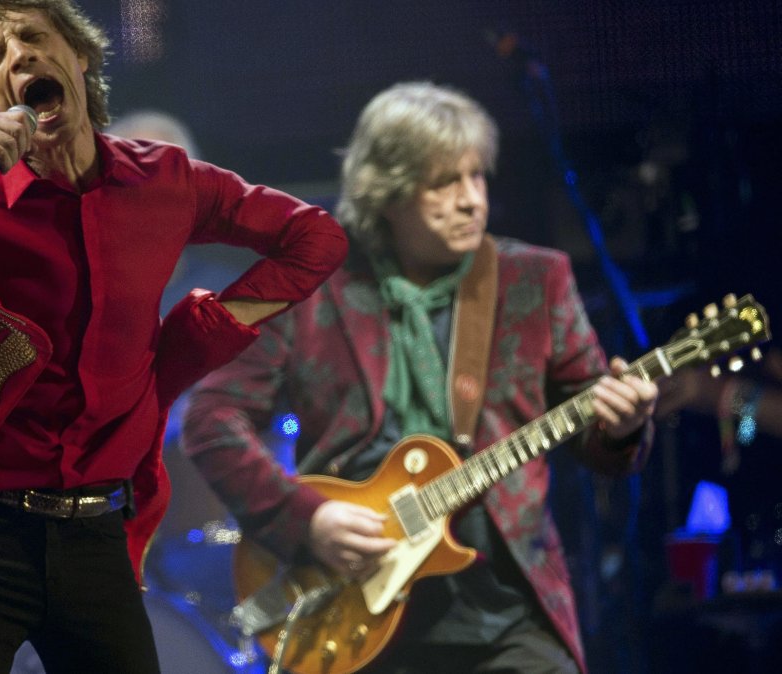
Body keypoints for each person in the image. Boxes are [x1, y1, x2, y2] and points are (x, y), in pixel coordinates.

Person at [0, 1, 347, 672]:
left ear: (79, 58)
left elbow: (315, 239)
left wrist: (199, 337)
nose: (18, 57)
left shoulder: (163, 181)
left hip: (96, 533)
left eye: (32, 37)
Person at [181, 81, 659, 673]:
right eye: (443, 183)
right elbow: (211, 417)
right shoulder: (312, 288)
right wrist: (308, 519)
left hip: (506, 606)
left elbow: (598, 438)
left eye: (476, 176)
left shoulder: (536, 280)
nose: (471, 200)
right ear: (387, 193)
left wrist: (623, 426)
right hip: (350, 598)